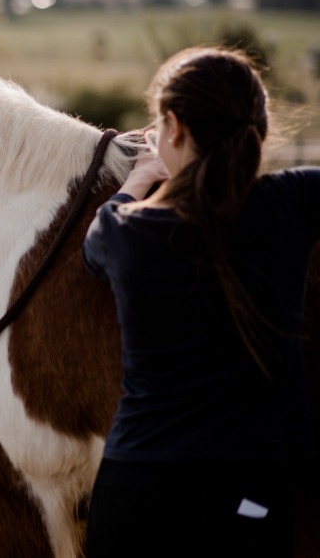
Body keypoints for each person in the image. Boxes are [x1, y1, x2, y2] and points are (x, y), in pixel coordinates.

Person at [83, 46, 320, 557]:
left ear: (172, 126)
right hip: (249, 498)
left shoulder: (125, 231)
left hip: (137, 493)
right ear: (258, 128)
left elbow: (94, 246)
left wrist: (137, 181)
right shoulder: (292, 203)